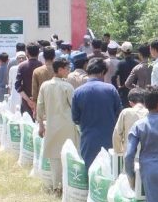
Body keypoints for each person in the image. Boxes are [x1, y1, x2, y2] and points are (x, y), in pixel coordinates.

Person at [37, 58, 79, 192]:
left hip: (51, 125)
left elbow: (40, 106)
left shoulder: (45, 85)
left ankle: (56, 186)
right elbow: (75, 108)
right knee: (71, 155)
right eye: (67, 68)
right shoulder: (67, 86)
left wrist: (40, 125)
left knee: (54, 158)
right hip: (67, 126)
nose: (69, 71)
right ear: (60, 69)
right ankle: (70, 186)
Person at [71, 58, 123, 167]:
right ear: (102, 73)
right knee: (108, 171)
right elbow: (119, 112)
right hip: (109, 139)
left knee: (90, 172)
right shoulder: (111, 89)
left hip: (88, 140)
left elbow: (75, 118)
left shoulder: (78, 92)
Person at [113, 87, 148, 155]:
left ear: (130, 103)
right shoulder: (150, 113)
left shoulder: (125, 112)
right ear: (145, 101)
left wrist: (118, 151)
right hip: (148, 156)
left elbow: (117, 133)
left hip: (129, 155)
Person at [13, 44, 42, 116]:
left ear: (27, 53)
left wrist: (28, 101)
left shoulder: (22, 66)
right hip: (40, 101)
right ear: (38, 53)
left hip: (26, 101)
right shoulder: (42, 65)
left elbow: (18, 86)